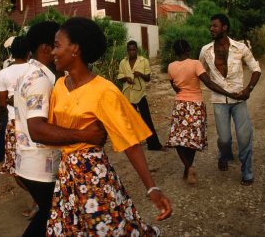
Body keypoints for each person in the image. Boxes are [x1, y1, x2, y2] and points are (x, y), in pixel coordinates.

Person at [29, 17, 172, 235]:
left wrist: (152, 187)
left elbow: (130, 144)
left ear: (75, 49)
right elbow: (51, 133)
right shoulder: (58, 86)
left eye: (57, 46)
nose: (53, 52)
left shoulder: (104, 91)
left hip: (93, 177)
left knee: (107, 230)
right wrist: (84, 135)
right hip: (66, 177)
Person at [14, 21, 107, 237]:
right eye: (55, 45)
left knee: (51, 217)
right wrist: (85, 135)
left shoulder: (28, 74)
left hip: (27, 162)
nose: (56, 51)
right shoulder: (41, 81)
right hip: (40, 167)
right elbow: (37, 130)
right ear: (46, 48)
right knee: (55, 218)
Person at [166, 39, 243, 184]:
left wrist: (178, 89)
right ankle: (189, 167)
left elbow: (173, 84)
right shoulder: (195, 64)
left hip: (180, 105)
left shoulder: (171, 66)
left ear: (175, 52)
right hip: (195, 105)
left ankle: (188, 167)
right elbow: (209, 83)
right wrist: (229, 93)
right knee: (193, 139)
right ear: (188, 50)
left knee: (178, 139)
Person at [199, 14, 261, 186]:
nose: (211, 29)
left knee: (244, 136)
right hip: (219, 99)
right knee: (224, 139)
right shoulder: (205, 50)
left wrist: (249, 89)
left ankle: (247, 171)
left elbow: (255, 68)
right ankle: (223, 154)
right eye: (210, 26)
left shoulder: (240, 48)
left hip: (239, 98)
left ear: (225, 27)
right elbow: (201, 73)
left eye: (215, 26)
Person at [0, 36, 30, 167]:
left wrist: (13, 100)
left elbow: (2, 102)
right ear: (29, 52)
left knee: (15, 162)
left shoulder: (3, 72)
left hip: (13, 119)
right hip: (35, 120)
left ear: (11, 51)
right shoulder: (36, 69)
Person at [117, 40, 164, 151]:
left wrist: (140, 74)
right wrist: (126, 78)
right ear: (127, 51)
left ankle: (154, 145)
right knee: (129, 121)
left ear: (137, 50)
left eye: (134, 49)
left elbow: (148, 78)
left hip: (140, 94)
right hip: (128, 95)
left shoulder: (144, 61)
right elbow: (119, 77)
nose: (132, 52)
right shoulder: (123, 62)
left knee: (146, 119)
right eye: (130, 50)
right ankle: (131, 144)